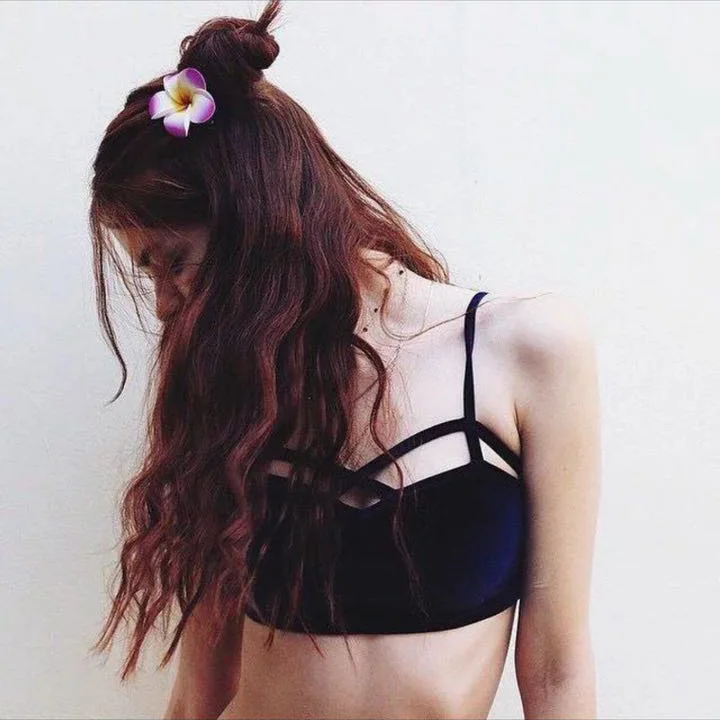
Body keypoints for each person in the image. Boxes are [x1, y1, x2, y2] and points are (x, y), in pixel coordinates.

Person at [88, 1, 601, 718]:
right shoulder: (227, 386)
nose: (167, 306)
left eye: (173, 262)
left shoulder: (527, 348)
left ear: (260, 219)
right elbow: (201, 691)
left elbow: (556, 668)